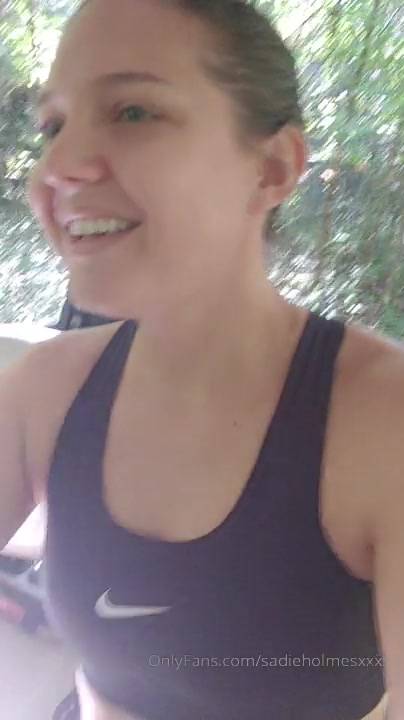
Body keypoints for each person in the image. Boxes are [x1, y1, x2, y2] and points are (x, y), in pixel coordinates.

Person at [0, 0, 403, 718]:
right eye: (53, 126)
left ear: (272, 168)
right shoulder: (45, 389)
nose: (56, 168)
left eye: (132, 112)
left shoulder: (382, 421)